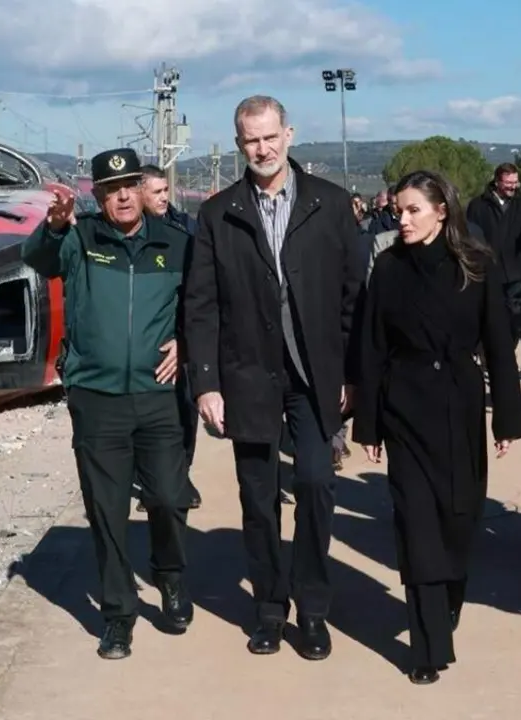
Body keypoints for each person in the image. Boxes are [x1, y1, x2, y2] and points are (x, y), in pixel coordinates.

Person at [183, 95, 363, 660]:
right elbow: (201, 304)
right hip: (247, 376)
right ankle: (268, 608)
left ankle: (312, 610)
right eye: (250, 141)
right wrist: (206, 382)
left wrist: (351, 373)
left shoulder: (330, 205)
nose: (261, 149)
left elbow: (353, 296)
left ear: (289, 134)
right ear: (239, 144)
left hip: (315, 377)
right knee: (258, 499)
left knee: (314, 483)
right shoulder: (219, 214)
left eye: (269, 137)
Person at [353, 170, 521, 685]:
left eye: (413, 210)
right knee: (416, 525)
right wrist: (369, 426)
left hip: (460, 403)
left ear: (441, 211)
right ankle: (428, 644)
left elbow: (498, 344)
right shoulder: (386, 268)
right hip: (404, 406)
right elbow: (372, 348)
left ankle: (449, 593)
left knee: (460, 518)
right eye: (399, 211)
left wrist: (507, 419)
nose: (401, 220)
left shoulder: (476, 265)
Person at [22, 147, 195, 660]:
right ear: (96, 195)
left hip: (158, 395)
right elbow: (38, 261)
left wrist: (185, 341)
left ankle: (169, 575)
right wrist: (53, 228)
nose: (122, 195)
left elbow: (203, 306)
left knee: (168, 496)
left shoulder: (176, 243)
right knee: (108, 509)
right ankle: (118, 616)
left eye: (130, 186)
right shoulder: (80, 240)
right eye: (110, 189)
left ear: (143, 188)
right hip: (97, 399)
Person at [137, 163, 203, 511]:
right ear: (140, 194)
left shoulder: (185, 229)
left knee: (184, 413)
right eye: (157, 192)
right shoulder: (131, 233)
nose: (165, 198)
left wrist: (186, 339)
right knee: (147, 419)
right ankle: (153, 485)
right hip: (143, 342)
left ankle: (180, 476)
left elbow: (197, 291)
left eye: (167, 191)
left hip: (180, 339)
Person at [465, 163, 521, 342]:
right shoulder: (478, 206)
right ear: (497, 182)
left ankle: (510, 346)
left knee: (515, 316)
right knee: (490, 314)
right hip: (489, 270)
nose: (513, 187)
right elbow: (471, 236)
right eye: (508, 183)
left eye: (516, 182)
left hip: (516, 270)